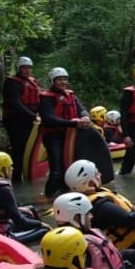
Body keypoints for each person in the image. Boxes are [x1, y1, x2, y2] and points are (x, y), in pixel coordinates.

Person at [52, 191, 135, 269]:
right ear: (76, 217)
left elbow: (113, 255)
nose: (91, 216)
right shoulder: (75, 246)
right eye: (88, 213)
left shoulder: (82, 236)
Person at [64, 159, 135, 250]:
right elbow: (132, 219)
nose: (100, 174)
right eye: (96, 174)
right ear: (89, 183)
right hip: (133, 247)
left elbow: (126, 206)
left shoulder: (90, 200)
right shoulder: (100, 207)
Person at [39, 67, 91, 198]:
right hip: (53, 137)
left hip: (70, 136)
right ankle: (49, 196)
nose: (62, 82)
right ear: (52, 81)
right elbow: (49, 119)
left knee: (70, 167)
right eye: (59, 80)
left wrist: (85, 116)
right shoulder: (46, 98)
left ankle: (65, 193)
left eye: (64, 80)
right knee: (57, 170)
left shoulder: (70, 95)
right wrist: (73, 123)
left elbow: (81, 110)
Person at [1, 56, 41, 182]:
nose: (27, 71)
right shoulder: (12, 83)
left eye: (29, 68)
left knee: (30, 149)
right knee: (19, 149)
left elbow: (40, 100)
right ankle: (17, 178)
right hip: (16, 121)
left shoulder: (32, 81)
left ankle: (28, 176)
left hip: (30, 121)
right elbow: (15, 103)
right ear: (19, 69)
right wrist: (33, 116)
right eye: (24, 68)